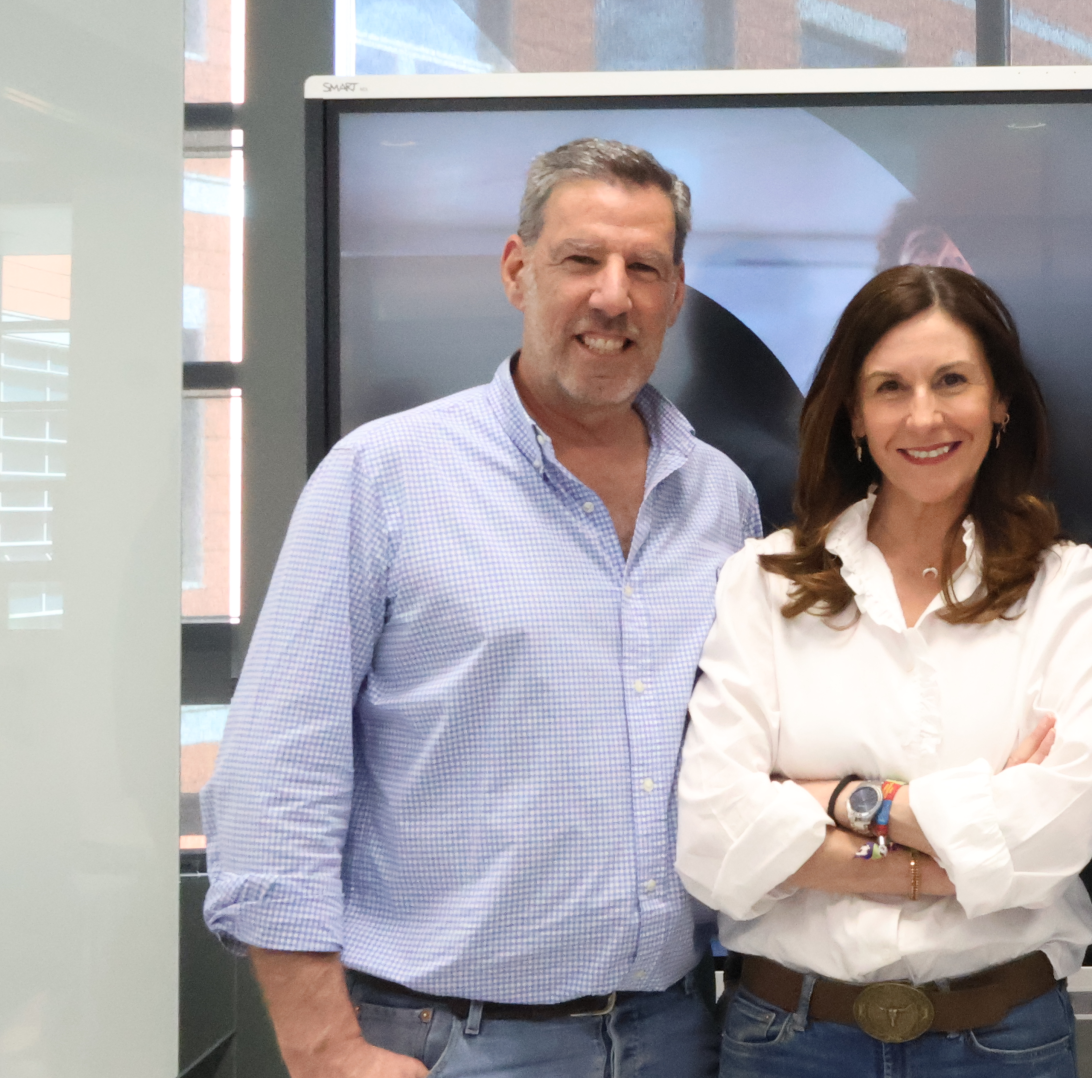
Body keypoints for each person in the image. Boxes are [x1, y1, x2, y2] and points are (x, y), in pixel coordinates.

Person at [201, 138, 757, 1078]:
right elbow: (275, 773)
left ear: (676, 292)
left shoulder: (722, 498)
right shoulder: (382, 479)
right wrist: (323, 1046)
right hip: (444, 1042)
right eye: (581, 260)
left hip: (675, 1033)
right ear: (517, 269)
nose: (613, 296)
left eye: (644, 268)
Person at [676, 265, 1092, 1077]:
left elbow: (1057, 833)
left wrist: (839, 800)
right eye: (890, 387)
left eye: (952, 381)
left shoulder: (1070, 586)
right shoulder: (763, 580)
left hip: (1002, 1042)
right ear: (854, 413)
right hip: (789, 1041)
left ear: (1001, 403)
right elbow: (713, 839)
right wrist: (951, 860)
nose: (923, 416)